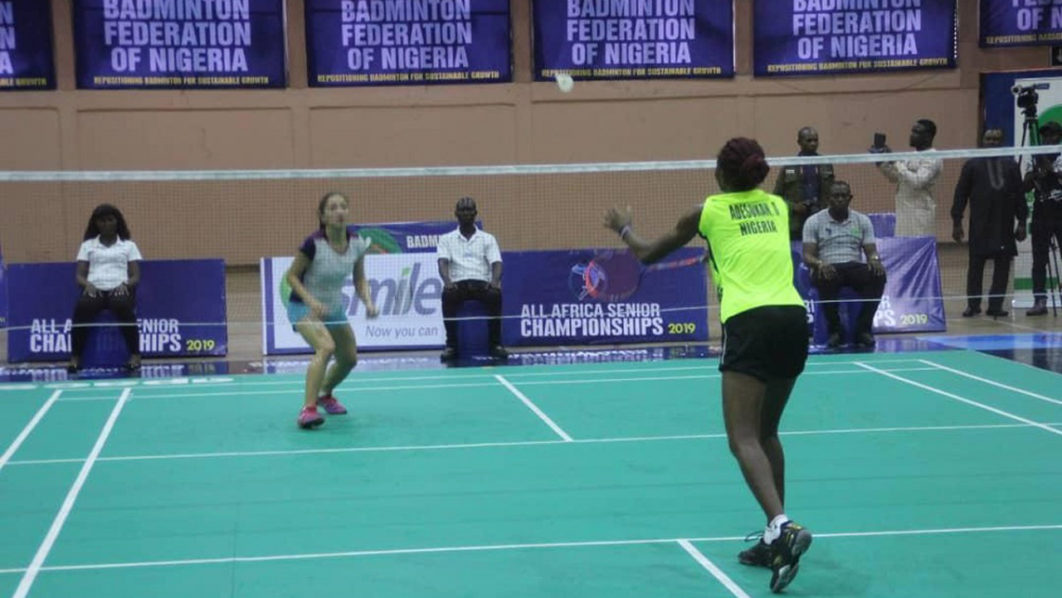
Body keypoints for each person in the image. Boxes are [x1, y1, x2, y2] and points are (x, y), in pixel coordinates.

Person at [604, 138, 812, 594]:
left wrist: (624, 228)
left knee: (742, 438)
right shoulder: (778, 207)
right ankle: (773, 537)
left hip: (749, 322)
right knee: (767, 432)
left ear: (720, 174)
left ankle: (782, 525)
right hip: (794, 321)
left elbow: (647, 253)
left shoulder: (708, 211)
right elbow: (753, 246)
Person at [285, 192, 378, 429]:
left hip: (333, 307)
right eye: (333, 208)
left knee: (349, 358)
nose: (339, 212)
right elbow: (292, 276)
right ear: (323, 216)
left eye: (343, 207)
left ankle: (324, 393)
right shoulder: (313, 244)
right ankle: (308, 410)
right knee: (326, 347)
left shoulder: (357, 243)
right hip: (303, 306)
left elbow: (359, 279)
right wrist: (311, 302)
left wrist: (368, 302)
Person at [951, 128, 1027, 318]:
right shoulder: (971, 165)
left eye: (996, 139)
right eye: (989, 138)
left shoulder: (1011, 166)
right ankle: (973, 305)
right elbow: (960, 194)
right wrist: (957, 222)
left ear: (1002, 142)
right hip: (979, 226)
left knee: (1002, 268)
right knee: (975, 267)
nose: (992, 142)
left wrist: (1022, 222)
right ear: (982, 140)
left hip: (1004, 225)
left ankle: (995, 305)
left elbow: (1019, 195)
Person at [802, 181, 887, 348]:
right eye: (835, 196)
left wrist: (875, 259)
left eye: (843, 196)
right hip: (828, 266)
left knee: (878, 275)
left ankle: (863, 329)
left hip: (854, 266)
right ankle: (835, 331)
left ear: (850, 198)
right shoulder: (814, 221)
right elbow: (807, 255)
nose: (840, 199)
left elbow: (871, 252)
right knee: (825, 278)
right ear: (828, 199)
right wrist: (820, 263)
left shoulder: (862, 220)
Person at [68, 204, 143, 373]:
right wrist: (87, 285)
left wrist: (126, 285)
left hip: (120, 288)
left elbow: (135, 276)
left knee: (122, 305)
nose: (106, 224)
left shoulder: (128, 245)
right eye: (102, 221)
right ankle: (75, 358)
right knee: (82, 308)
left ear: (117, 222)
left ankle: (135, 355)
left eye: (110, 220)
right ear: (96, 223)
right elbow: (79, 275)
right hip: (95, 288)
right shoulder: (87, 245)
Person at [436, 196, 507, 360]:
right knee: (448, 295)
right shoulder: (446, 239)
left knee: (495, 295)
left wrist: (494, 282)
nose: (466, 213)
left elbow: (497, 263)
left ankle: (495, 344)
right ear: (456, 214)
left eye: (469, 210)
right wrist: (447, 282)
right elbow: (442, 263)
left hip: (482, 283)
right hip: (458, 285)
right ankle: (451, 345)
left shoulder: (488, 238)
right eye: (462, 210)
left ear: (475, 213)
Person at [875, 119, 943, 237]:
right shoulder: (910, 156)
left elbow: (918, 181)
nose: (911, 135)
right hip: (903, 213)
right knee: (904, 246)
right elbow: (896, 178)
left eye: (916, 132)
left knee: (918, 246)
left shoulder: (933, 157)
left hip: (919, 215)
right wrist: (880, 162)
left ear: (927, 136)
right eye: (912, 131)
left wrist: (895, 161)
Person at [1022, 121, 1062, 316]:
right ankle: (1039, 300)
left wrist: (1052, 170)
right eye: (1045, 135)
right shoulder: (1034, 156)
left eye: (1052, 135)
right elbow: (1025, 186)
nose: (1048, 138)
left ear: (1059, 137)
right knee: (1039, 259)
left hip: (1060, 212)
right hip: (1041, 214)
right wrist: (1035, 174)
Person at [773, 126, 835, 240]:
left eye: (815, 140)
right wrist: (794, 207)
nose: (813, 143)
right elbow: (776, 197)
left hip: (821, 220)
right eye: (809, 140)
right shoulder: (789, 166)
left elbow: (832, 192)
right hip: (796, 223)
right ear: (799, 142)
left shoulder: (826, 164)